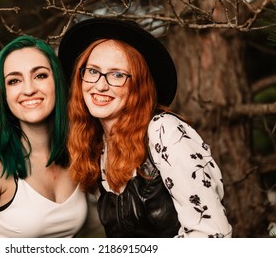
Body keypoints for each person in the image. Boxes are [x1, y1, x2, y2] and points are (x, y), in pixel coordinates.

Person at [58, 18, 233, 238]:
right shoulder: (99, 146)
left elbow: (211, 234)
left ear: (139, 86)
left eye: (117, 75)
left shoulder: (164, 131)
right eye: (93, 71)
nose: (100, 85)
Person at [0, 35, 87, 238]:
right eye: (14, 81)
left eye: (40, 75)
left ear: (57, 81)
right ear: (3, 95)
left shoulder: (77, 154)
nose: (29, 89)